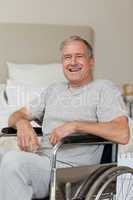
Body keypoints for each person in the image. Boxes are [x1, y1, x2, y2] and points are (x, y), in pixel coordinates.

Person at [0, 35, 129, 200]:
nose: (73, 62)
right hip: (42, 163)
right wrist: (23, 123)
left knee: (13, 163)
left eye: (79, 56)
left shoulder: (104, 89)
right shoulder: (53, 90)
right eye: (68, 57)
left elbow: (122, 134)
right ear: (62, 63)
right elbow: (17, 114)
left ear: (91, 61)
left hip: (73, 171)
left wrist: (75, 125)